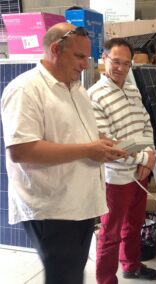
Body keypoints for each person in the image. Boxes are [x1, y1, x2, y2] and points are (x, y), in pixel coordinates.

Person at [0, 23, 127, 284]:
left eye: (87, 57)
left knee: (71, 274)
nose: (85, 65)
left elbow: (74, 133)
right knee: (64, 277)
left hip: (79, 204)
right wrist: (88, 149)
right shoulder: (25, 89)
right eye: (79, 57)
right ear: (56, 49)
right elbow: (22, 150)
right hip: (52, 209)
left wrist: (101, 143)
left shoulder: (76, 89)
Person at [87, 38, 156, 283]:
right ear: (103, 60)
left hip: (140, 171)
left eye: (126, 64)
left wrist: (150, 157)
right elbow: (110, 146)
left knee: (135, 223)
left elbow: (145, 123)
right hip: (115, 178)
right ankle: (106, 279)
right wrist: (144, 158)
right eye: (115, 62)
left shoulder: (131, 89)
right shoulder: (94, 97)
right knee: (111, 233)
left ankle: (131, 265)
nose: (120, 68)